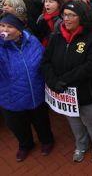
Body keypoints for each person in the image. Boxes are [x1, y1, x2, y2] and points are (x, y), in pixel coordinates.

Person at [41, 0, 92, 163]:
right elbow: (46, 61)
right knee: (74, 121)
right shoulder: (56, 37)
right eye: (65, 15)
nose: (67, 19)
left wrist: (63, 80)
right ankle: (81, 145)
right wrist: (53, 81)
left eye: (72, 15)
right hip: (65, 93)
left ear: (82, 17)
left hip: (88, 93)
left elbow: (91, 67)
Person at [0, 13, 54, 162]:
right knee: (17, 125)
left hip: (35, 92)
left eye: (9, 26)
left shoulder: (32, 40)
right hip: (10, 97)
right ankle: (25, 145)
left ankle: (47, 141)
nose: (4, 29)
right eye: (2, 25)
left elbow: (43, 60)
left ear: (18, 29)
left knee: (41, 121)